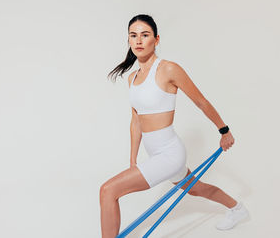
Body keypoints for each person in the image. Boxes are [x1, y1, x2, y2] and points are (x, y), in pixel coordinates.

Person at [100, 14, 250, 238]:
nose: (139, 40)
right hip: (157, 154)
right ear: (129, 41)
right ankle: (237, 209)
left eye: (145, 35)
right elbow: (136, 121)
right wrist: (133, 160)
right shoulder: (132, 78)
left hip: (170, 154)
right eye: (133, 36)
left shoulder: (168, 69)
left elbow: (201, 101)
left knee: (107, 191)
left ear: (156, 39)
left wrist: (224, 131)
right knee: (196, 188)